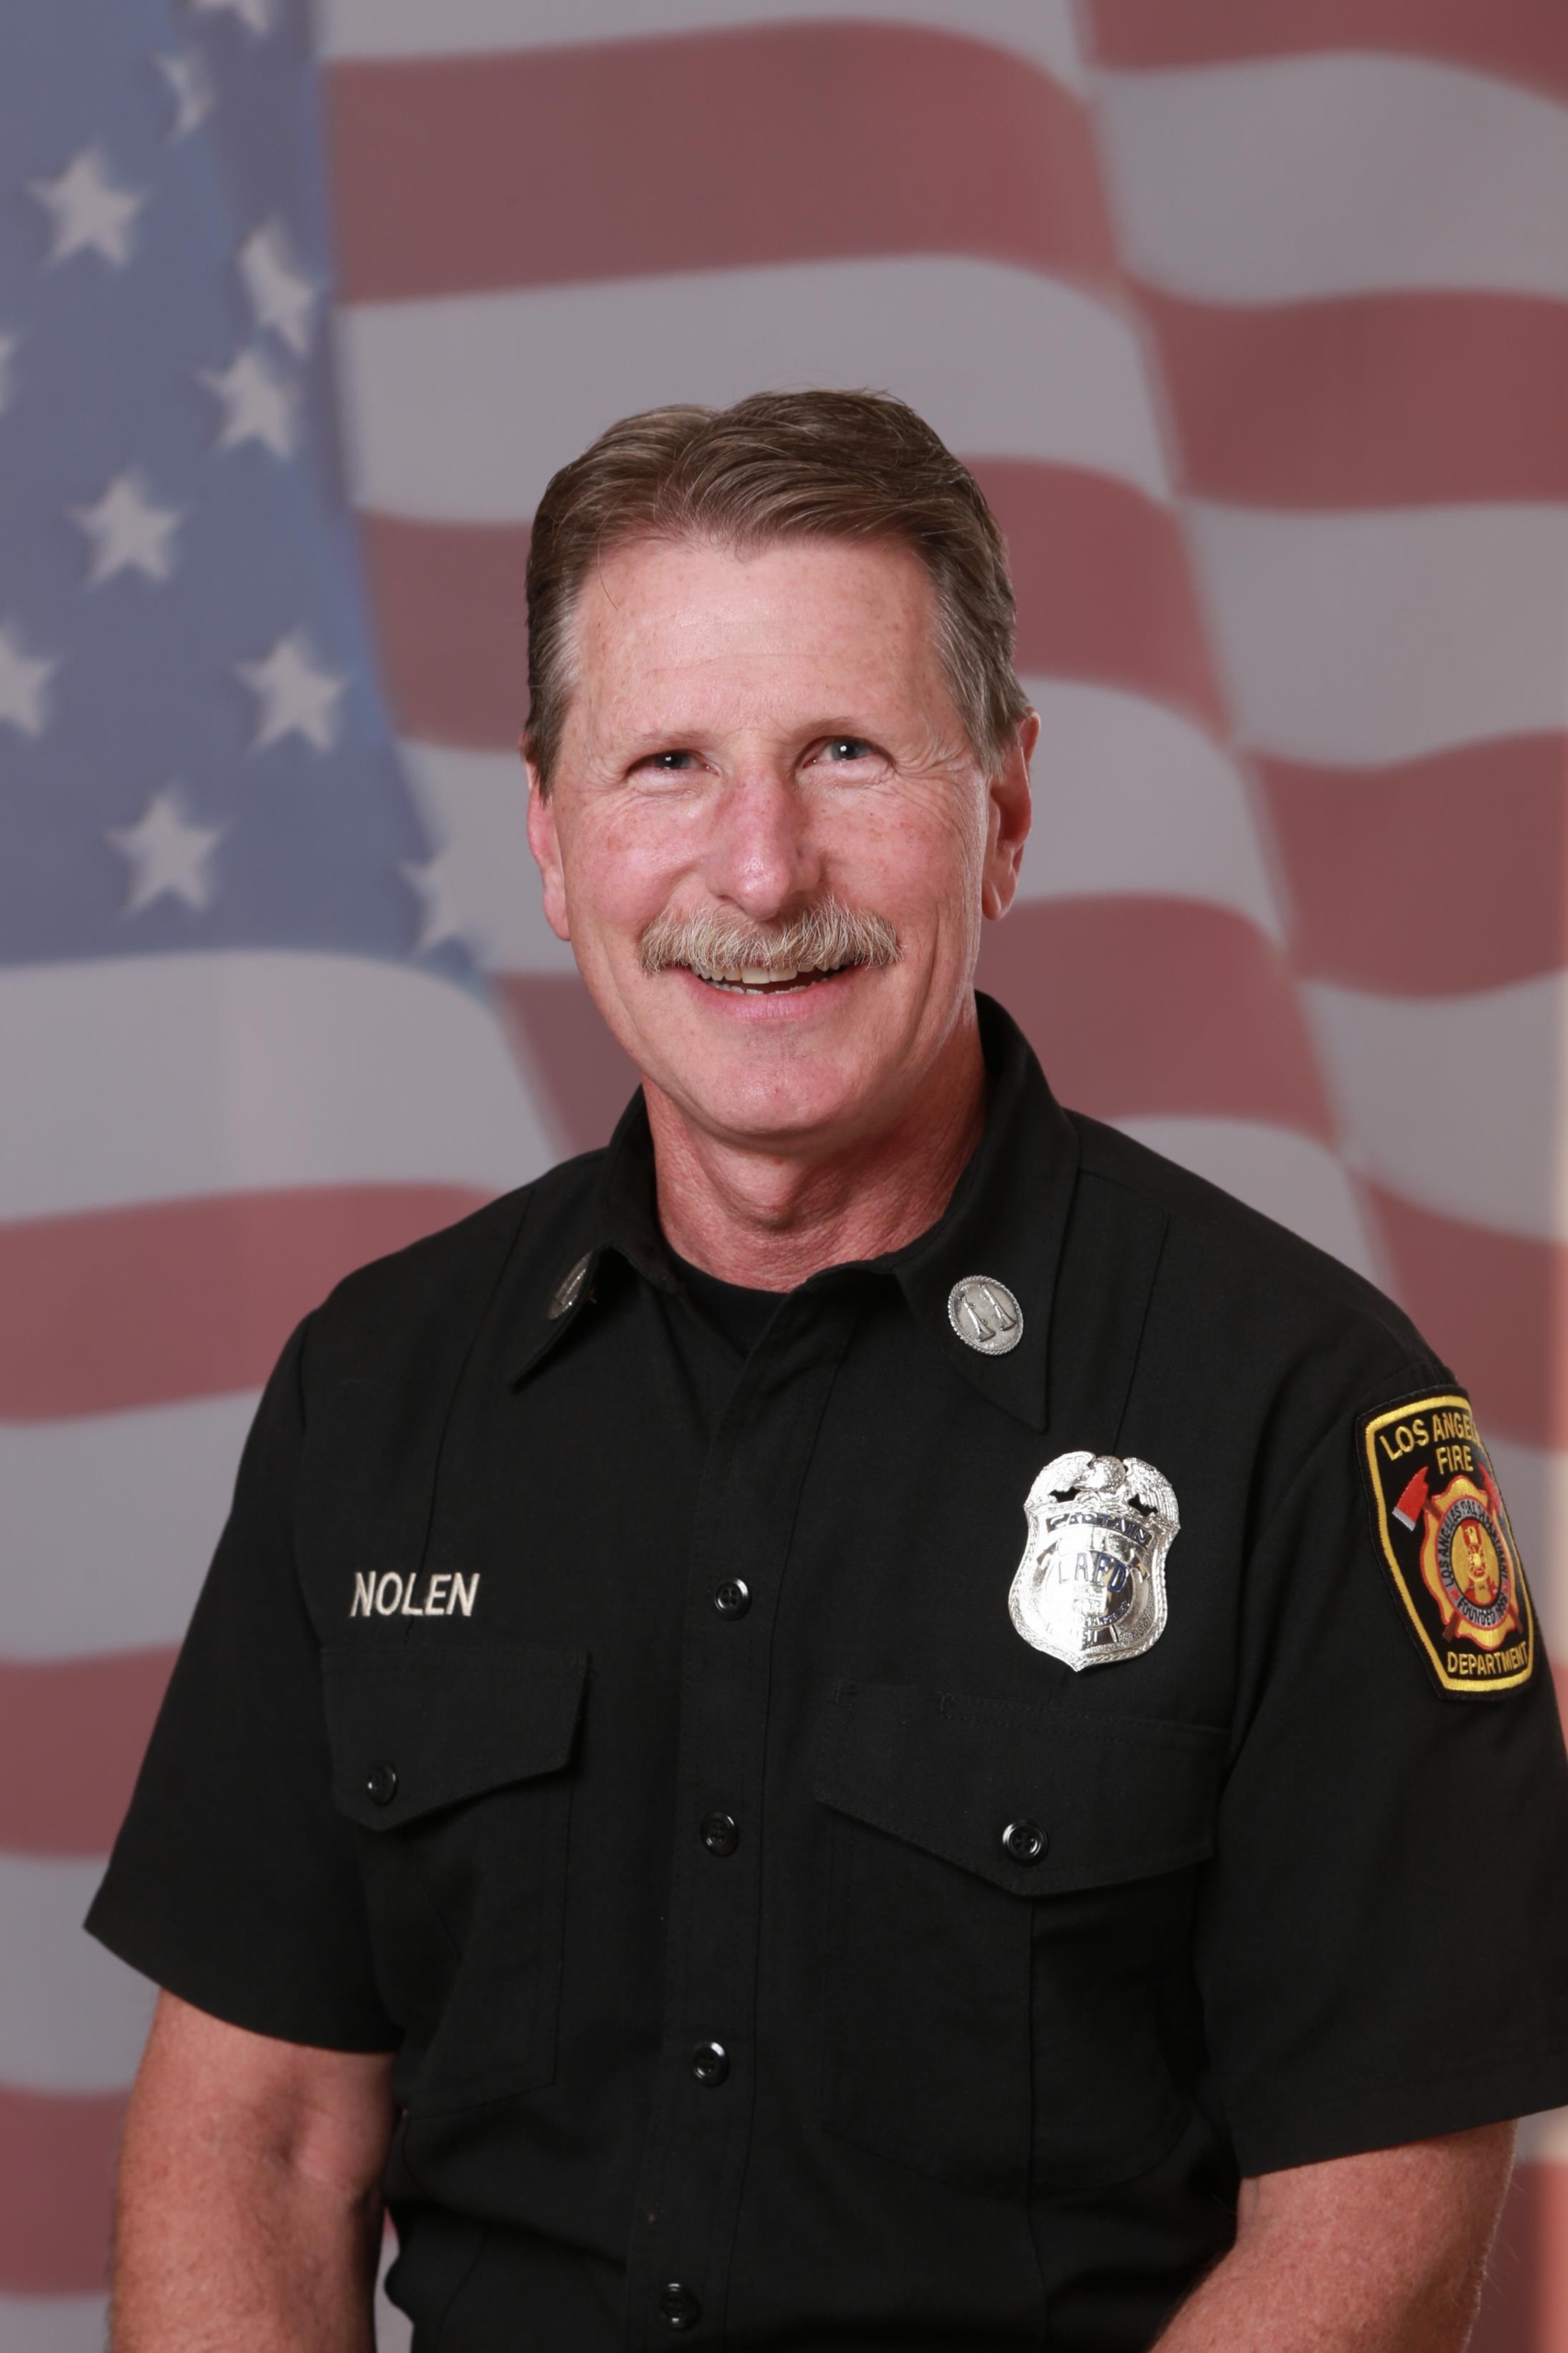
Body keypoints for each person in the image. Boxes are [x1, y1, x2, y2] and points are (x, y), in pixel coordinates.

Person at [90, 391, 1568, 2352]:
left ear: (1004, 806)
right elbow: (255, 2139)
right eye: (667, 765)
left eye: (846, 754)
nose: (760, 867)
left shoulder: (1298, 1411)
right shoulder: (380, 1389)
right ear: (551, 835)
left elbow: (1369, 2228)